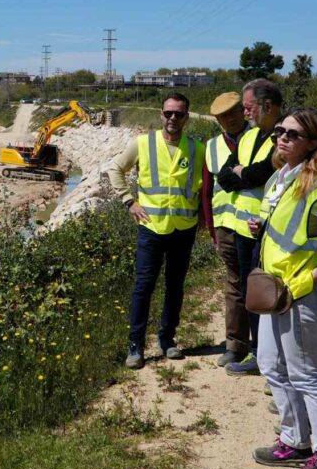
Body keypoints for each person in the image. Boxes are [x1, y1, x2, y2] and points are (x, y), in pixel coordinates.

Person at [248, 109, 317, 469]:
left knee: (308, 375)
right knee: (270, 365)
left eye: (293, 134)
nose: (282, 138)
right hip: (274, 291)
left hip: (301, 294)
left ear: (313, 142)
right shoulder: (280, 178)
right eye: (280, 131)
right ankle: (295, 440)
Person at [105, 93, 205, 368]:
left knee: (175, 286)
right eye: (169, 113)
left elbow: (205, 186)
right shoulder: (143, 143)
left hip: (183, 229)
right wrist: (129, 202)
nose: (173, 118)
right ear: (161, 115)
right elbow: (115, 169)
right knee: (144, 286)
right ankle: (135, 346)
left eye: (179, 114)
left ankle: (168, 340)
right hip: (151, 228)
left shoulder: (197, 148)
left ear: (187, 117)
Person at [216, 78, 283, 376]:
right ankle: (258, 352)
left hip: (270, 230)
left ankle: (272, 358)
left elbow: (261, 174)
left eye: (248, 108)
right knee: (250, 292)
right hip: (246, 229)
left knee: (271, 294)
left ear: (267, 106)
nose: (245, 114)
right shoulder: (248, 137)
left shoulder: (284, 136)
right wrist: (244, 173)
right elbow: (224, 176)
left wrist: (244, 173)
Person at [199, 92, 254, 367]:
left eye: (233, 113)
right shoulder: (211, 147)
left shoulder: (262, 139)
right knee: (234, 284)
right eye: (223, 116)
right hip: (225, 226)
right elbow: (207, 191)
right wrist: (212, 229)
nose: (229, 120)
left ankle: (263, 347)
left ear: (244, 111)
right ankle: (236, 345)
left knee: (257, 284)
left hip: (255, 226)